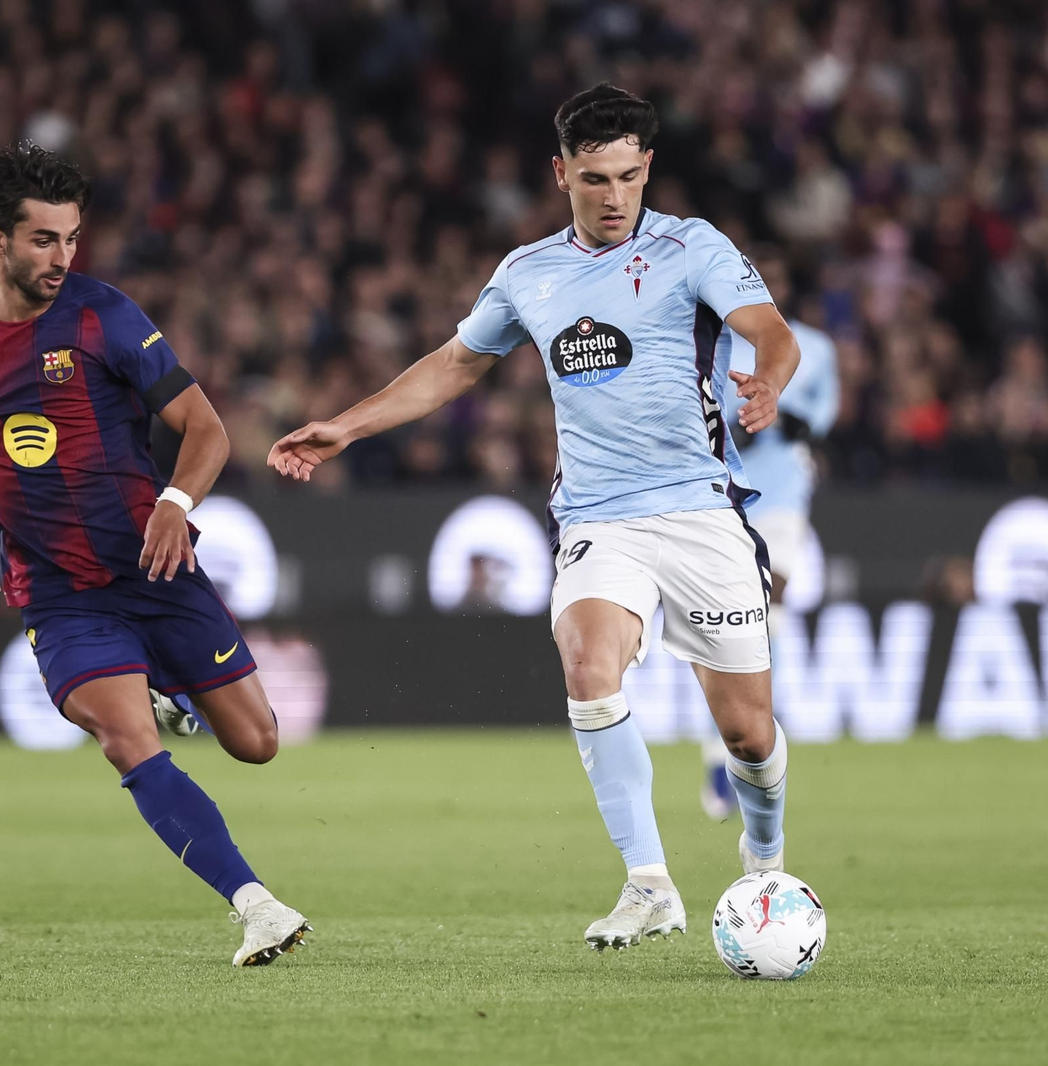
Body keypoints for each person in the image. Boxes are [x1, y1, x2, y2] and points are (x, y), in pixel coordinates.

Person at [269, 85, 800, 950]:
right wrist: (346, 426)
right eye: (596, 179)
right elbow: (452, 366)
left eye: (630, 176)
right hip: (598, 517)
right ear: (561, 175)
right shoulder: (528, 274)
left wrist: (768, 379)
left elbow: (769, 329)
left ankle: (766, 856)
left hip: (701, 512)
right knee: (589, 666)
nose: (616, 195)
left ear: (648, 169)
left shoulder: (691, 247)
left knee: (747, 730)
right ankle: (649, 882)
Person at [0, 142, 308, 967]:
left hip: (156, 569)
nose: (63, 257)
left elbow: (207, 428)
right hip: (59, 596)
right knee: (127, 741)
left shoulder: (104, 316)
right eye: (43, 240)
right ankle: (256, 905)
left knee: (257, 742)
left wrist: (175, 502)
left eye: (72, 238)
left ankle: (169, 690)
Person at [701, 248, 838, 819]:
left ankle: (757, 739)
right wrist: (741, 424)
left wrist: (784, 410)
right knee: (727, 620)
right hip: (728, 491)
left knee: (770, 602)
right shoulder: (720, 340)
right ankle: (723, 750)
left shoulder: (816, 348)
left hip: (785, 494)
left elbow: (825, 416)